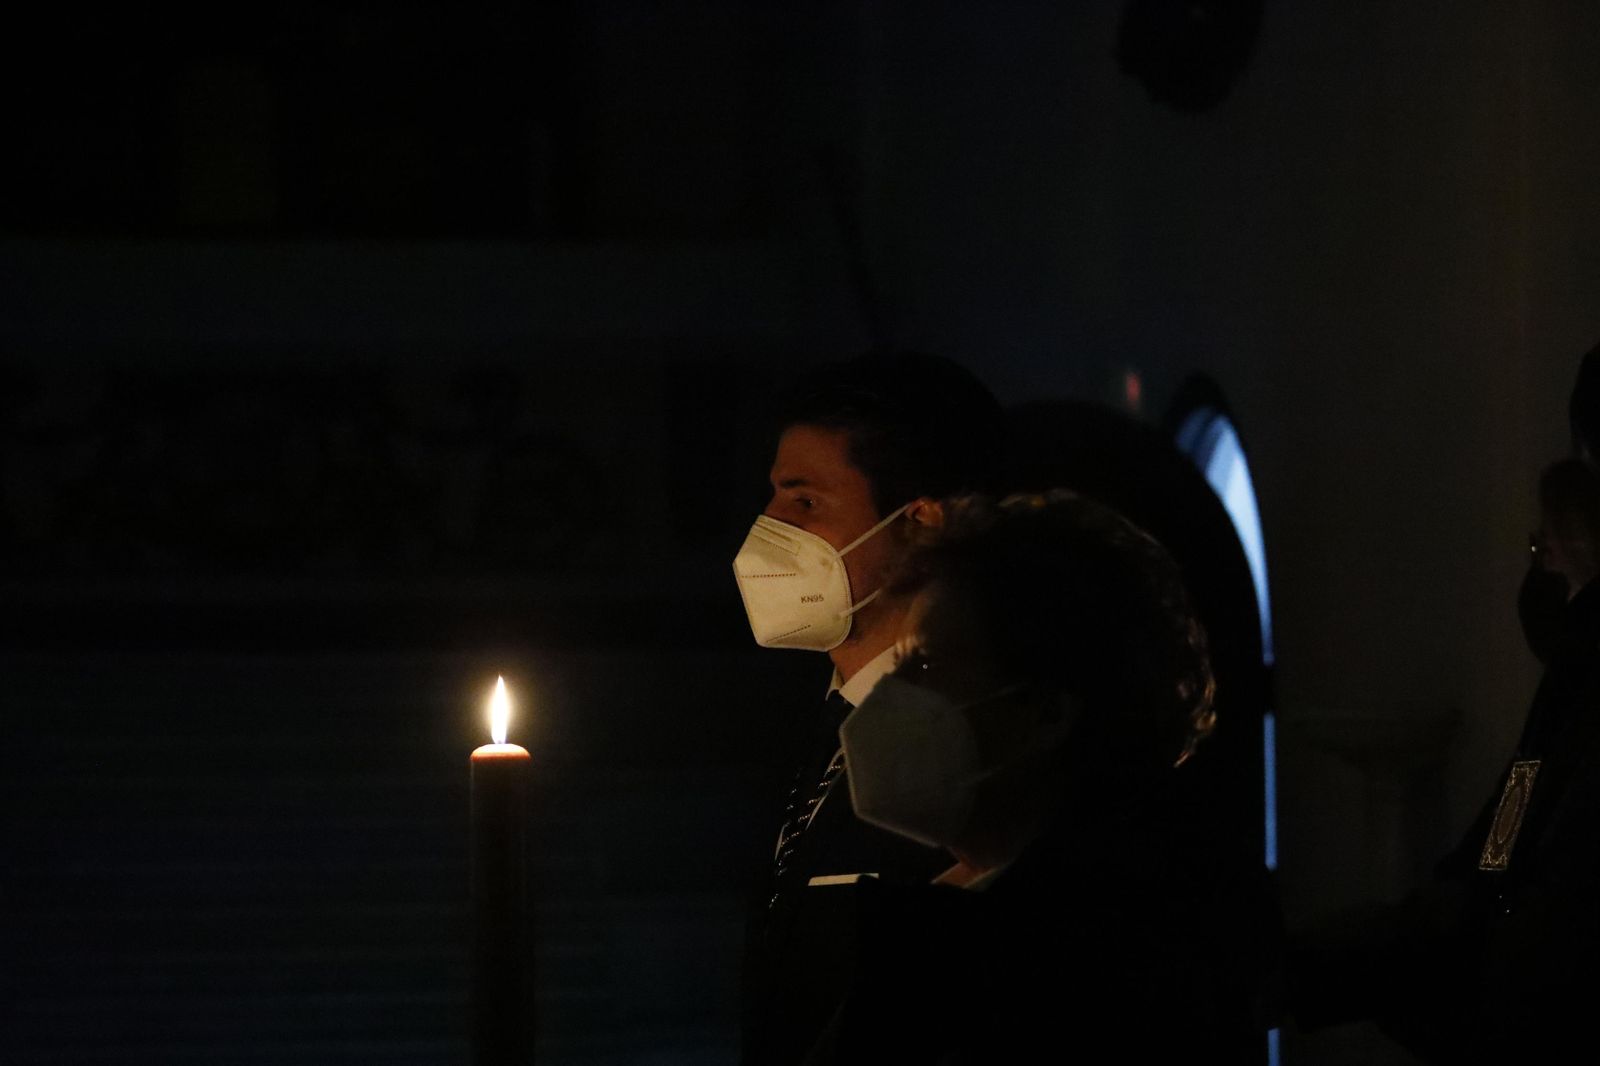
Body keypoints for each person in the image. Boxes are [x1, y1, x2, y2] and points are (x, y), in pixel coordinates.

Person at [804, 490, 1275, 1064]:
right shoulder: (991, 913)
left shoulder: (1078, 964)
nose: (887, 696)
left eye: (923, 666)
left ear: (1043, 713)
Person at [731, 351, 1005, 1066]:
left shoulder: (973, 743)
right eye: (773, 498)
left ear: (919, 524)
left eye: (805, 503)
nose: (769, 530)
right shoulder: (809, 728)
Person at [1289, 458, 1600, 1063]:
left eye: (1543, 546)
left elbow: (1513, 825)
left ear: (1570, 547)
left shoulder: (1578, 670)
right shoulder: (1573, 671)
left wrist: (1468, 905)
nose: (1537, 567)